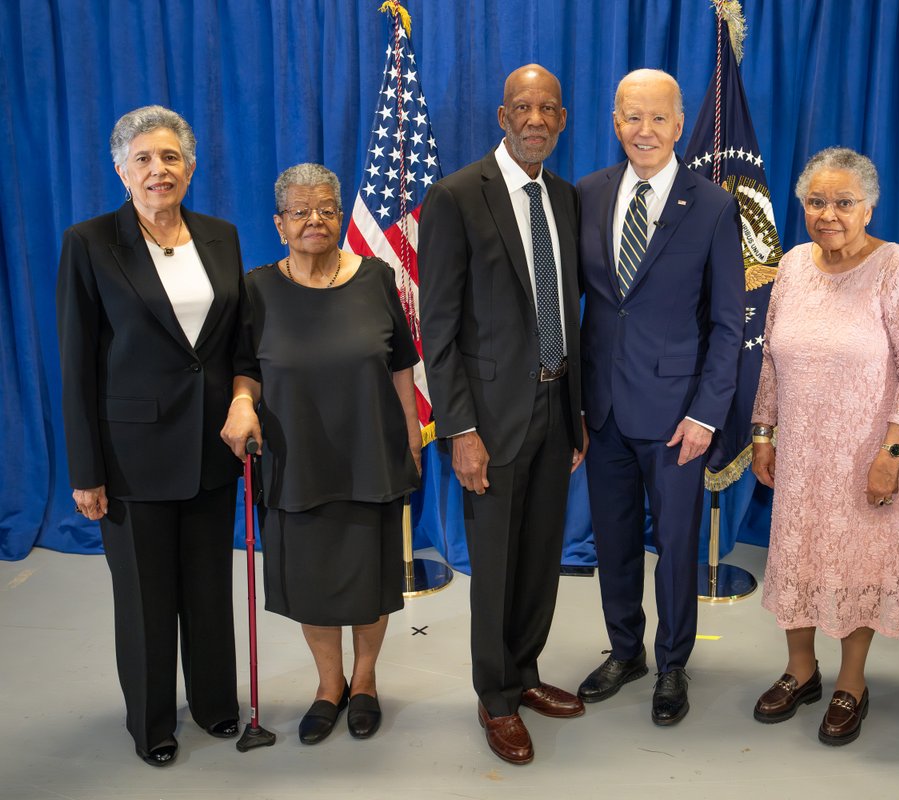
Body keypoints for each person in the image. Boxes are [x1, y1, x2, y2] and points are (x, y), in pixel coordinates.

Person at [55, 105, 243, 766]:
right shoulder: (90, 242)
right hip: (130, 458)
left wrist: (243, 404)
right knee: (145, 602)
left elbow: (231, 345)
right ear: (121, 169)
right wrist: (86, 471)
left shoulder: (221, 236)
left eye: (170, 158)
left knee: (208, 589)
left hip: (211, 449)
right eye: (144, 159)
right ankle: (153, 724)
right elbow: (76, 363)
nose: (158, 171)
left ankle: (219, 706)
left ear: (190, 167)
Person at [418, 64, 587, 766]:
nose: (536, 120)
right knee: (494, 564)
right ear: (502, 116)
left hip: (555, 406)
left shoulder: (567, 199)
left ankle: (524, 672)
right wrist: (460, 431)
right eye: (524, 107)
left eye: (549, 107)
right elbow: (440, 327)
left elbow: (570, 314)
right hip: (488, 421)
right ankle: (495, 698)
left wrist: (575, 414)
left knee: (541, 555)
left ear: (563, 119)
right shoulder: (456, 197)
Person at [220, 163, 422, 745]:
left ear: (340, 215)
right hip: (295, 456)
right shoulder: (257, 288)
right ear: (279, 223)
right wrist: (240, 403)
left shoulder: (377, 277)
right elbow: (246, 369)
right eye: (301, 211)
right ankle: (327, 685)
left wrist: (411, 431)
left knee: (369, 575)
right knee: (312, 577)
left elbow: (401, 364)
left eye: (328, 209)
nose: (316, 220)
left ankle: (364, 683)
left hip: (371, 451)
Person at [748, 147, 899, 746]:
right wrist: (762, 432)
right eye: (816, 201)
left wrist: (892, 453)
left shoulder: (895, 267)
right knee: (798, 557)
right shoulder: (795, 264)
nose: (829, 213)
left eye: (844, 202)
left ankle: (851, 684)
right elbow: (771, 360)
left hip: (869, 458)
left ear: (869, 206)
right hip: (801, 456)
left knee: (859, 567)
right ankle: (800, 672)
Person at [575, 69, 744, 726]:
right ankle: (626, 650)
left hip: (678, 416)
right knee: (612, 540)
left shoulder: (712, 205)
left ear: (678, 125)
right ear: (615, 122)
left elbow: (729, 323)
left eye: (657, 119)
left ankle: (673, 663)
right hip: (604, 409)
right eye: (630, 117)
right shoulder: (588, 194)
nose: (643, 131)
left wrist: (706, 411)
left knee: (676, 547)